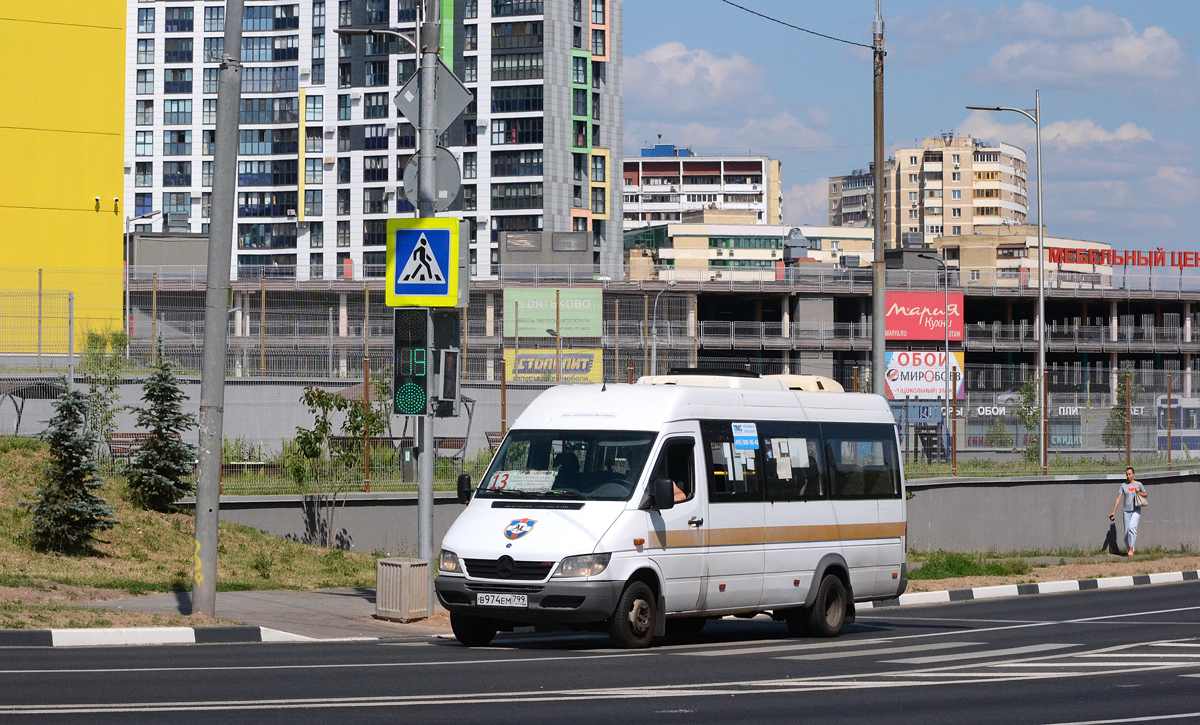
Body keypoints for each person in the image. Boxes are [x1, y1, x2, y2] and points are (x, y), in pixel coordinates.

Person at [1109, 466, 1147, 557]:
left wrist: (1139, 492)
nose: (1128, 476)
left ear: (1133, 474)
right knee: (1126, 533)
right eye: (1127, 474)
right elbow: (1119, 498)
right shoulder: (1123, 485)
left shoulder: (1139, 484)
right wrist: (1113, 511)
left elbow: (1145, 494)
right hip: (1126, 511)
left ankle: (1130, 550)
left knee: (1132, 527)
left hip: (1136, 510)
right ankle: (1131, 548)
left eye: (1130, 474)